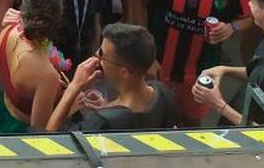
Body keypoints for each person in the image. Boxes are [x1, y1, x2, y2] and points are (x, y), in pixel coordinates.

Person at [45, 22, 180, 132]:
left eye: (102, 55)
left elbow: (49, 137)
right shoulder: (164, 94)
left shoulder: (102, 123)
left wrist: (73, 88)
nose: (97, 58)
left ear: (124, 72)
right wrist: (109, 106)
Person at [0, 0, 68, 133]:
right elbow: (39, 132)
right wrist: (70, 104)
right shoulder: (46, 74)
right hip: (19, 132)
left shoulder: (8, 30)